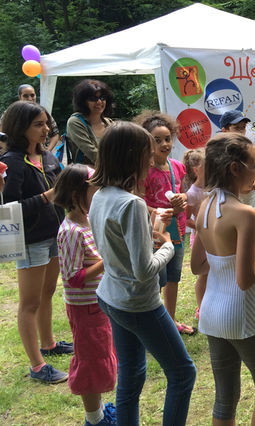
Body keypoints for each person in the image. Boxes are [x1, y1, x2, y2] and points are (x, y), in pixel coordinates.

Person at [89, 121, 196, 425]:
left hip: (111, 297)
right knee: (183, 373)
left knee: (132, 374)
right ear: (132, 157)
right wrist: (168, 248)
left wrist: (152, 234)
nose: (152, 161)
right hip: (137, 303)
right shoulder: (132, 204)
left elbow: (121, 246)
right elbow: (144, 270)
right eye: (147, 154)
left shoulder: (100, 195)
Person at [191, 132, 255, 425]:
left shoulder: (204, 204)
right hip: (242, 315)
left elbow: (198, 265)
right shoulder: (245, 213)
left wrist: (235, 253)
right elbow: (246, 279)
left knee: (225, 397)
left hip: (211, 313)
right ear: (235, 168)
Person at [0, 101, 70, 384]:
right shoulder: (13, 163)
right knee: (29, 303)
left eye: (46, 123)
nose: (45, 130)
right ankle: (37, 366)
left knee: (47, 293)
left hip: (55, 234)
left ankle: (49, 344)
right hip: (30, 240)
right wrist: (45, 197)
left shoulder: (49, 156)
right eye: (38, 125)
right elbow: (8, 208)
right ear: (21, 128)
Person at [54, 164, 117, 426]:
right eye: (95, 190)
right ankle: (94, 419)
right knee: (91, 363)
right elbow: (73, 278)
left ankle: (99, 412)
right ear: (76, 194)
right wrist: (108, 260)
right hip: (85, 309)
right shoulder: (71, 232)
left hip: (98, 304)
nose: (99, 195)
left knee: (100, 357)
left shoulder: (88, 221)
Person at [134, 111, 195, 336]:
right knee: (156, 279)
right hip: (154, 233)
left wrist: (184, 199)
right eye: (156, 140)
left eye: (167, 138)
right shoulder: (143, 171)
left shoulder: (177, 166)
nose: (164, 144)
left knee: (173, 276)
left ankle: (170, 320)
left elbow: (186, 193)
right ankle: (154, 322)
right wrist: (158, 212)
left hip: (176, 231)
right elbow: (137, 201)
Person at [66, 79, 114, 165]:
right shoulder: (75, 122)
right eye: (93, 98)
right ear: (83, 101)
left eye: (102, 98)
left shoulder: (109, 123)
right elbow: (92, 153)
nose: (99, 102)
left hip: (109, 173)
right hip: (86, 175)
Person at [183, 148, 206, 320]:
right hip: (200, 239)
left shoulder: (213, 187)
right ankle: (201, 309)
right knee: (203, 275)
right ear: (197, 170)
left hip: (215, 237)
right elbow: (185, 219)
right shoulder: (192, 193)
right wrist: (200, 226)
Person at [220, 110, 255, 210]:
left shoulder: (249, 149)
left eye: (243, 127)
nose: (241, 131)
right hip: (231, 207)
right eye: (237, 128)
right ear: (224, 130)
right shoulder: (219, 153)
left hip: (251, 204)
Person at [17, 84, 60, 151]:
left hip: (42, 155)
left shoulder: (43, 113)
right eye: (25, 96)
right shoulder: (12, 114)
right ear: (19, 97)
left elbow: (55, 134)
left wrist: (47, 152)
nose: (30, 99)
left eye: (32, 95)